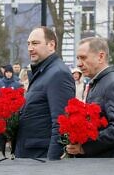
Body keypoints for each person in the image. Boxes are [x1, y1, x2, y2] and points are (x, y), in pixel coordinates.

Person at [66, 37, 114, 158]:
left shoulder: (113, 84)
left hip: (112, 162)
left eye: (83, 57)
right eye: (78, 58)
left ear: (101, 57)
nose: (79, 64)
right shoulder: (99, 82)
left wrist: (86, 147)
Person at [15, 26, 75, 160]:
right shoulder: (43, 72)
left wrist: (52, 163)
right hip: (31, 154)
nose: (30, 48)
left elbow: (61, 124)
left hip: (42, 158)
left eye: (35, 43)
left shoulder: (58, 73)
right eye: (28, 44)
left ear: (51, 45)